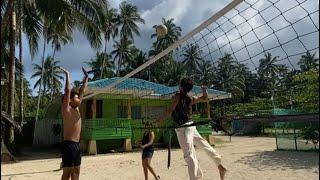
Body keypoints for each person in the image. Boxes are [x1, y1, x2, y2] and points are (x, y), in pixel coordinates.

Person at [157, 77, 227, 180]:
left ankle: (195, 178)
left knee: (189, 155)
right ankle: (219, 165)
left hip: (183, 128)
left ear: (180, 86)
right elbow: (204, 97)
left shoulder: (177, 97)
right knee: (203, 145)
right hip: (191, 126)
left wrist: (159, 120)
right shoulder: (190, 98)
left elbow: (169, 110)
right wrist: (204, 90)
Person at [60, 67, 88, 180]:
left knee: (76, 171)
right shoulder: (66, 109)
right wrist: (67, 75)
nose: (79, 99)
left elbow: (82, 90)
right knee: (67, 172)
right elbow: (67, 91)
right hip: (68, 145)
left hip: (76, 145)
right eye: (76, 97)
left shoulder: (76, 108)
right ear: (70, 100)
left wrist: (86, 78)